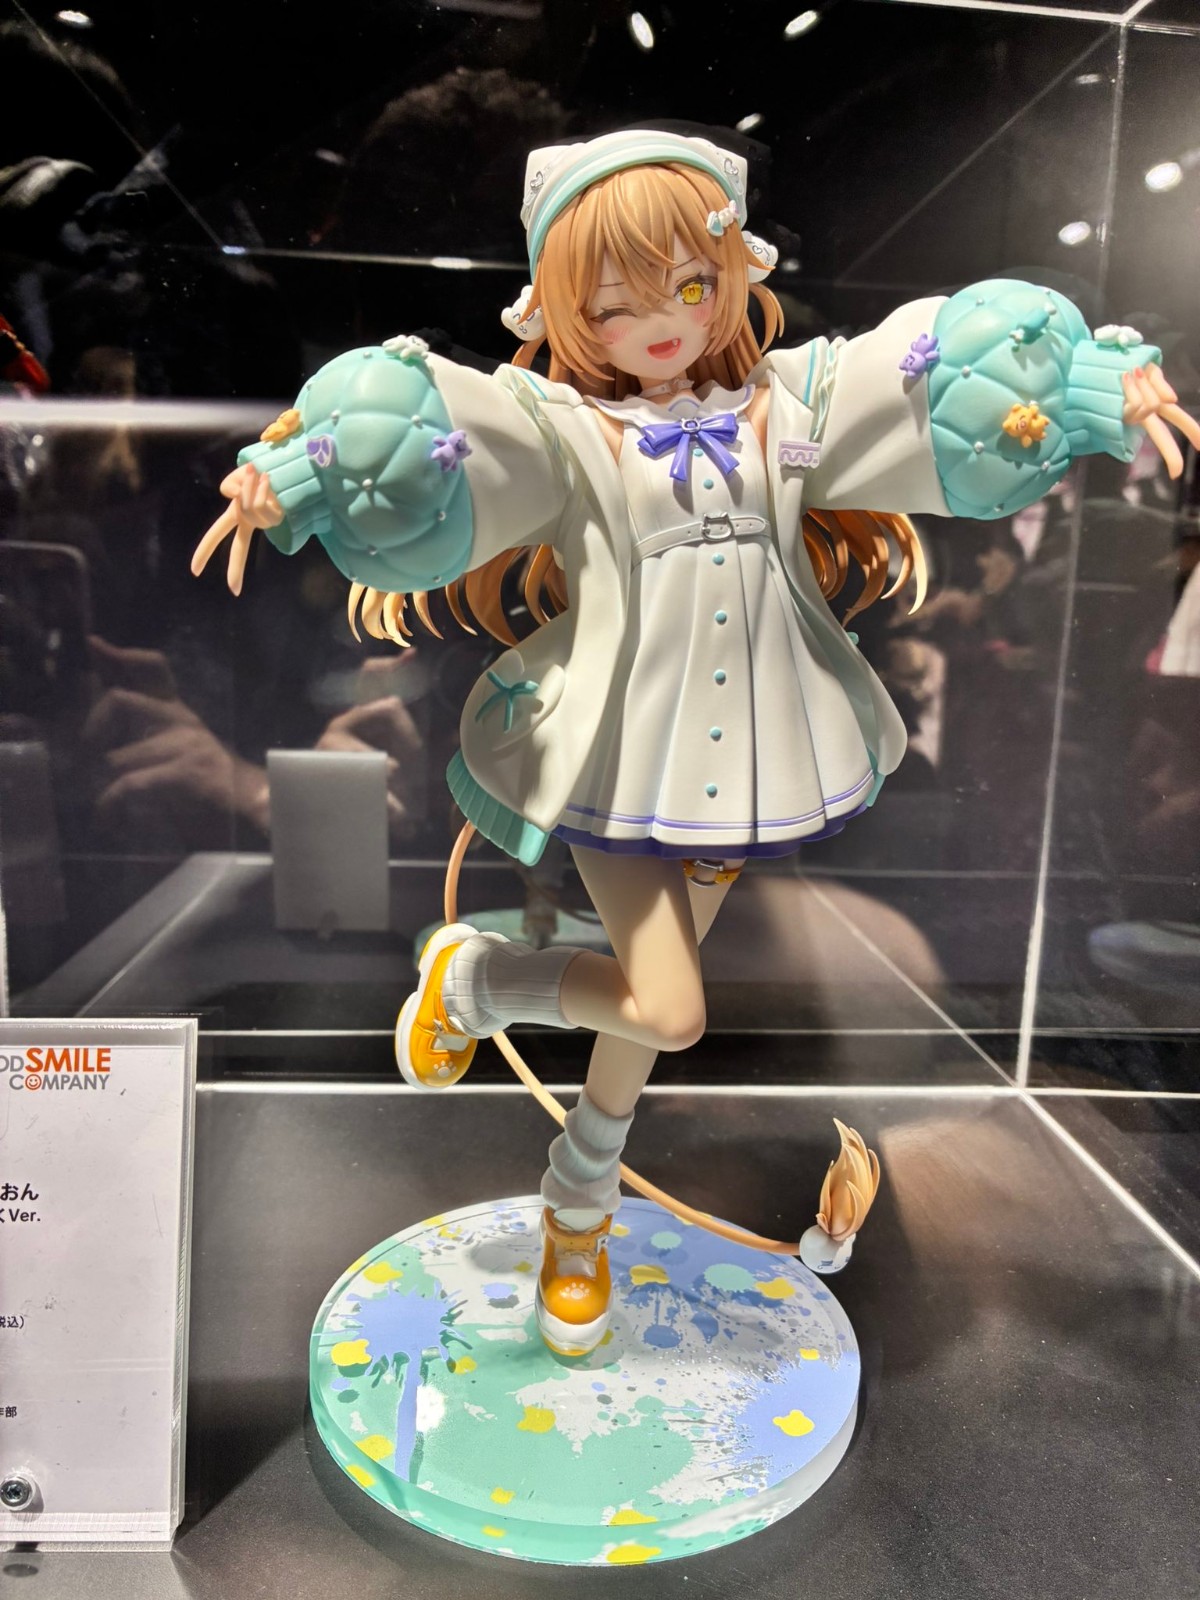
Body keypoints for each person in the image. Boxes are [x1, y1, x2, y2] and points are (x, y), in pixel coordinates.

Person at [192, 129, 1199, 1358]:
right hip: (624, 754)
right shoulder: (563, 430)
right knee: (667, 1008)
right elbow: (441, 441)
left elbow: (933, 391)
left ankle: (573, 1199)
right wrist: (303, 472)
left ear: (732, 270)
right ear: (565, 310)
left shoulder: (791, 403)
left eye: (687, 282)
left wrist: (1080, 386)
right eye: (613, 303)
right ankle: (486, 990)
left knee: (642, 1018)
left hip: (756, 761)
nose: (661, 321)